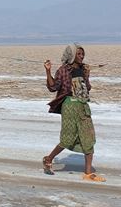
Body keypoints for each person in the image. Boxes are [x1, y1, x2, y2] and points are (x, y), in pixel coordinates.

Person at [42, 44, 104, 182]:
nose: (82, 56)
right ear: (71, 55)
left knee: (88, 136)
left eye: (83, 54)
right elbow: (53, 87)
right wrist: (48, 71)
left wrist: (87, 76)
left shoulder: (83, 69)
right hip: (69, 105)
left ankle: (88, 173)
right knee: (68, 138)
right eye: (79, 54)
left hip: (82, 105)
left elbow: (86, 88)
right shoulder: (63, 70)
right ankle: (48, 159)